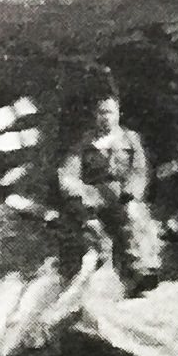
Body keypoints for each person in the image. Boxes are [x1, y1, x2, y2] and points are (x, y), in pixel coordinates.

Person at [56, 92, 157, 288]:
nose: (106, 117)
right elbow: (68, 173)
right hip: (95, 196)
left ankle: (142, 271)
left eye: (110, 112)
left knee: (135, 219)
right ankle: (92, 278)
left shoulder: (130, 139)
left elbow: (139, 170)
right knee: (90, 231)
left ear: (118, 114)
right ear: (95, 115)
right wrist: (81, 193)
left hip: (122, 195)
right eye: (101, 113)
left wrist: (131, 196)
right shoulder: (85, 143)